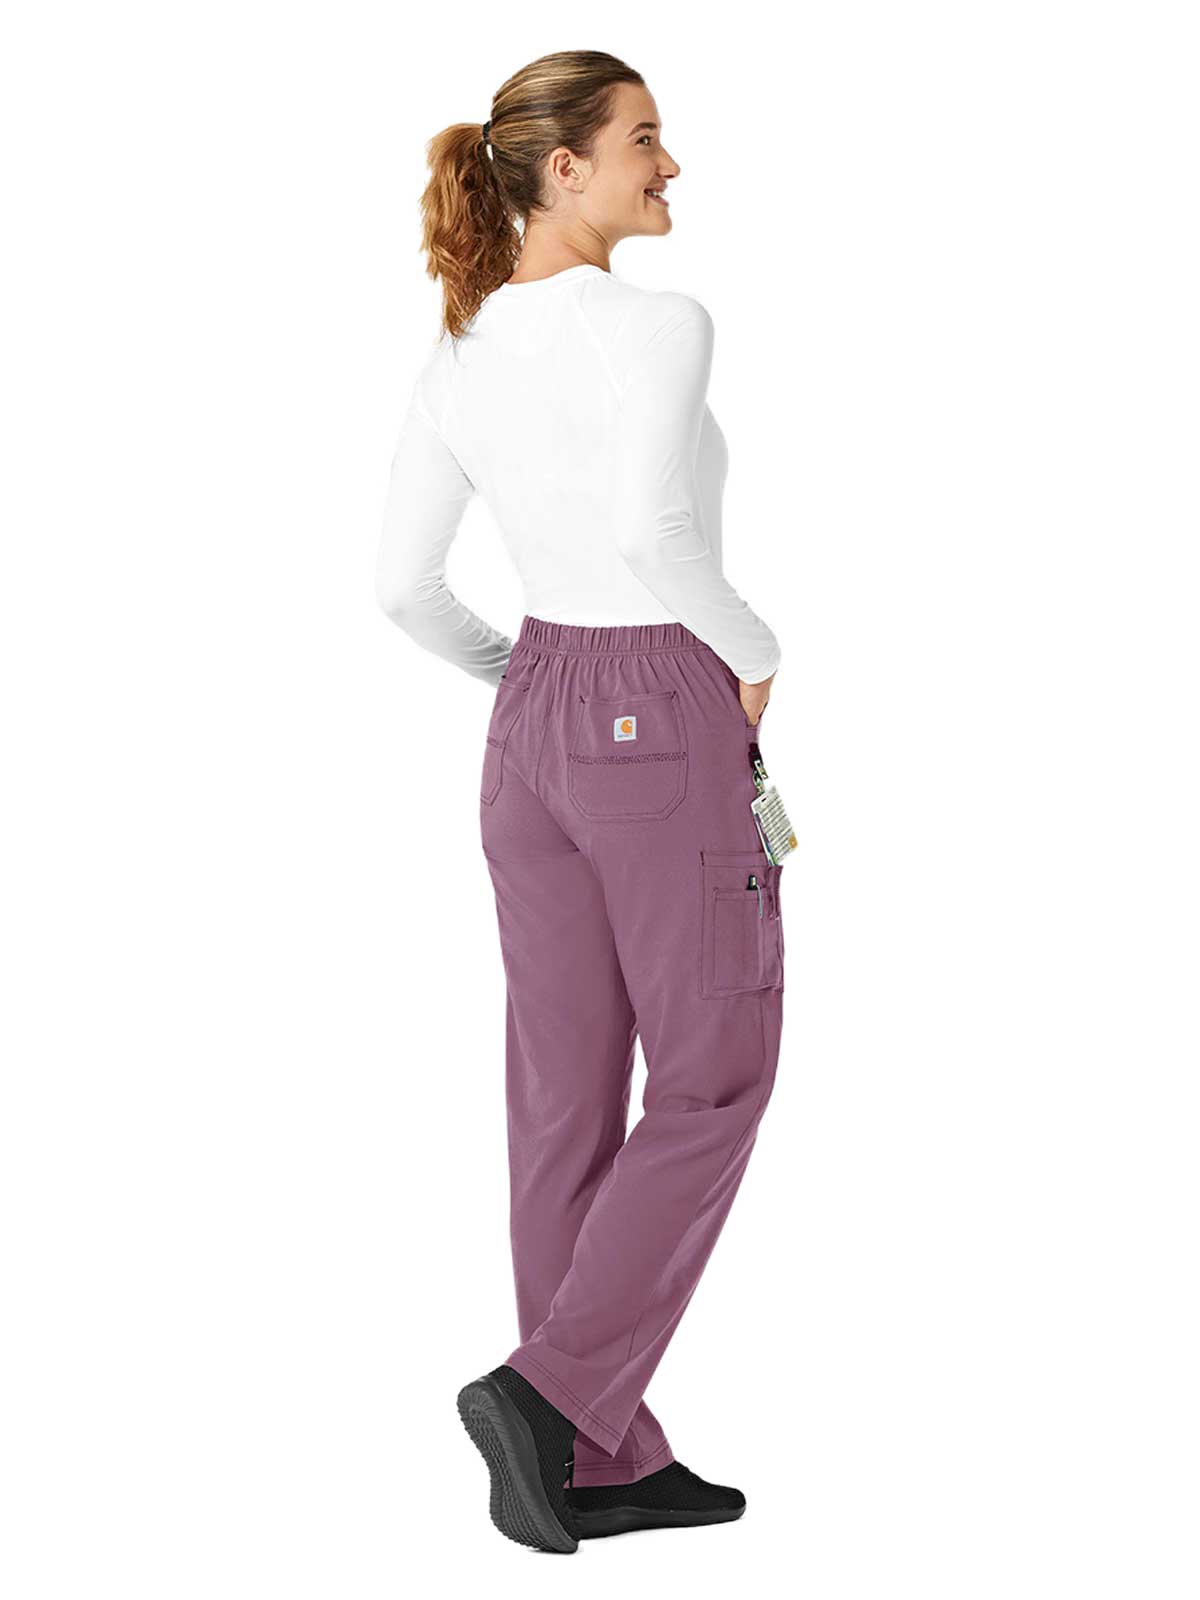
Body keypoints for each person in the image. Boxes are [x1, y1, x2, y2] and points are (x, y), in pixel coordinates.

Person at [376, 50, 785, 1553]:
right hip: (658, 697)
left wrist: (526, 691)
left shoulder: (463, 347)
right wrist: (755, 657)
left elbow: (403, 588)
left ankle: (596, 1455)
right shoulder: (658, 323)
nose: (668, 168)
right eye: (644, 140)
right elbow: (654, 530)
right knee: (717, 1071)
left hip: (534, 720)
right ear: (565, 170)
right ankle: (550, 1394)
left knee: (562, 1102)